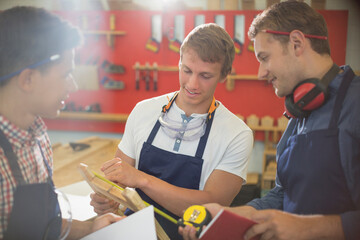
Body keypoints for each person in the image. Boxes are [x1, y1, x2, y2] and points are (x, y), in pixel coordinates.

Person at [179, 1, 360, 240]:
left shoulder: (355, 105)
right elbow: (283, 196)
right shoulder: (299, 115)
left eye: (264, 57)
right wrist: (226, 215)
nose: (260, 72)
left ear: (296, 43)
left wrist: (308, 228)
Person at [90, 23, 254, 239]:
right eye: (187, 71)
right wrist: (108, 199)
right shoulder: (143, 111)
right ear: (179, 63)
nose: (193, 84)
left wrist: (142, 179)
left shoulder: (237, 134)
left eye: (205, 76)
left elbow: (211, 205)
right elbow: (118, 180)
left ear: (225, 75)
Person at [0, 6, 123, 240]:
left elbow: (41, 225)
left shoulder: (37, 135)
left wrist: (91, 229)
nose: (73, 86)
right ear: (28, 79)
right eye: (66, 74)